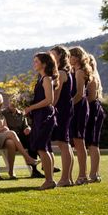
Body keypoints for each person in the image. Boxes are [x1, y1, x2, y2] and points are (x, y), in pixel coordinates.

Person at [0, 93, 37, 178]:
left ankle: (11, 171)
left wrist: (5, 129)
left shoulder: (1, 115)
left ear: (0, 102)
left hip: (2, 136)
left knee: (11, 143)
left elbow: (6, 127)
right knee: (12, 133)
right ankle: (27, 157)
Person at [23, 52, 58, 190]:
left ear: (44, 64)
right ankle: (49, 180)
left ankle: (49, 180)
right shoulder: (40, 78)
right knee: (44, 148)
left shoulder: (47, 79)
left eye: (37, 61)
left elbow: (49, 100)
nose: (34, 64)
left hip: (45, 116)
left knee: (42, 148)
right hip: (39, 116)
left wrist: (31, 107)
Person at [49, 46, 75, 186]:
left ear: (60, 56)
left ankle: (65, 178)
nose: (50, 56)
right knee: (65, 143)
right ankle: (68, 178)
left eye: (53, 54)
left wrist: (48, 107)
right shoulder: (65, 72)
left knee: (63, 143)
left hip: (62, 110)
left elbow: (56, 96)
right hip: (66, 108)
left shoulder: (61, 72)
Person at [69, 46, 92, 185]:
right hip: (79, 107)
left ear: (76, 57)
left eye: (70, 56)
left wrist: (69, 106)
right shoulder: (76, 71)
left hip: (79, 108)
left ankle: (83, 175)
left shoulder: (79, 72)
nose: (69, 59)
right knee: (77, 141)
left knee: (79, 141)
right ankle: (83, 174)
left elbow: (79, 93)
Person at [85, 53, 106, 183]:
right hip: (90, 110)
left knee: (93, 143)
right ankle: (93, 173)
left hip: (93, 111)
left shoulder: (92, 78)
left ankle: (94, 174)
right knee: (91, 144)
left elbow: (91, 98)